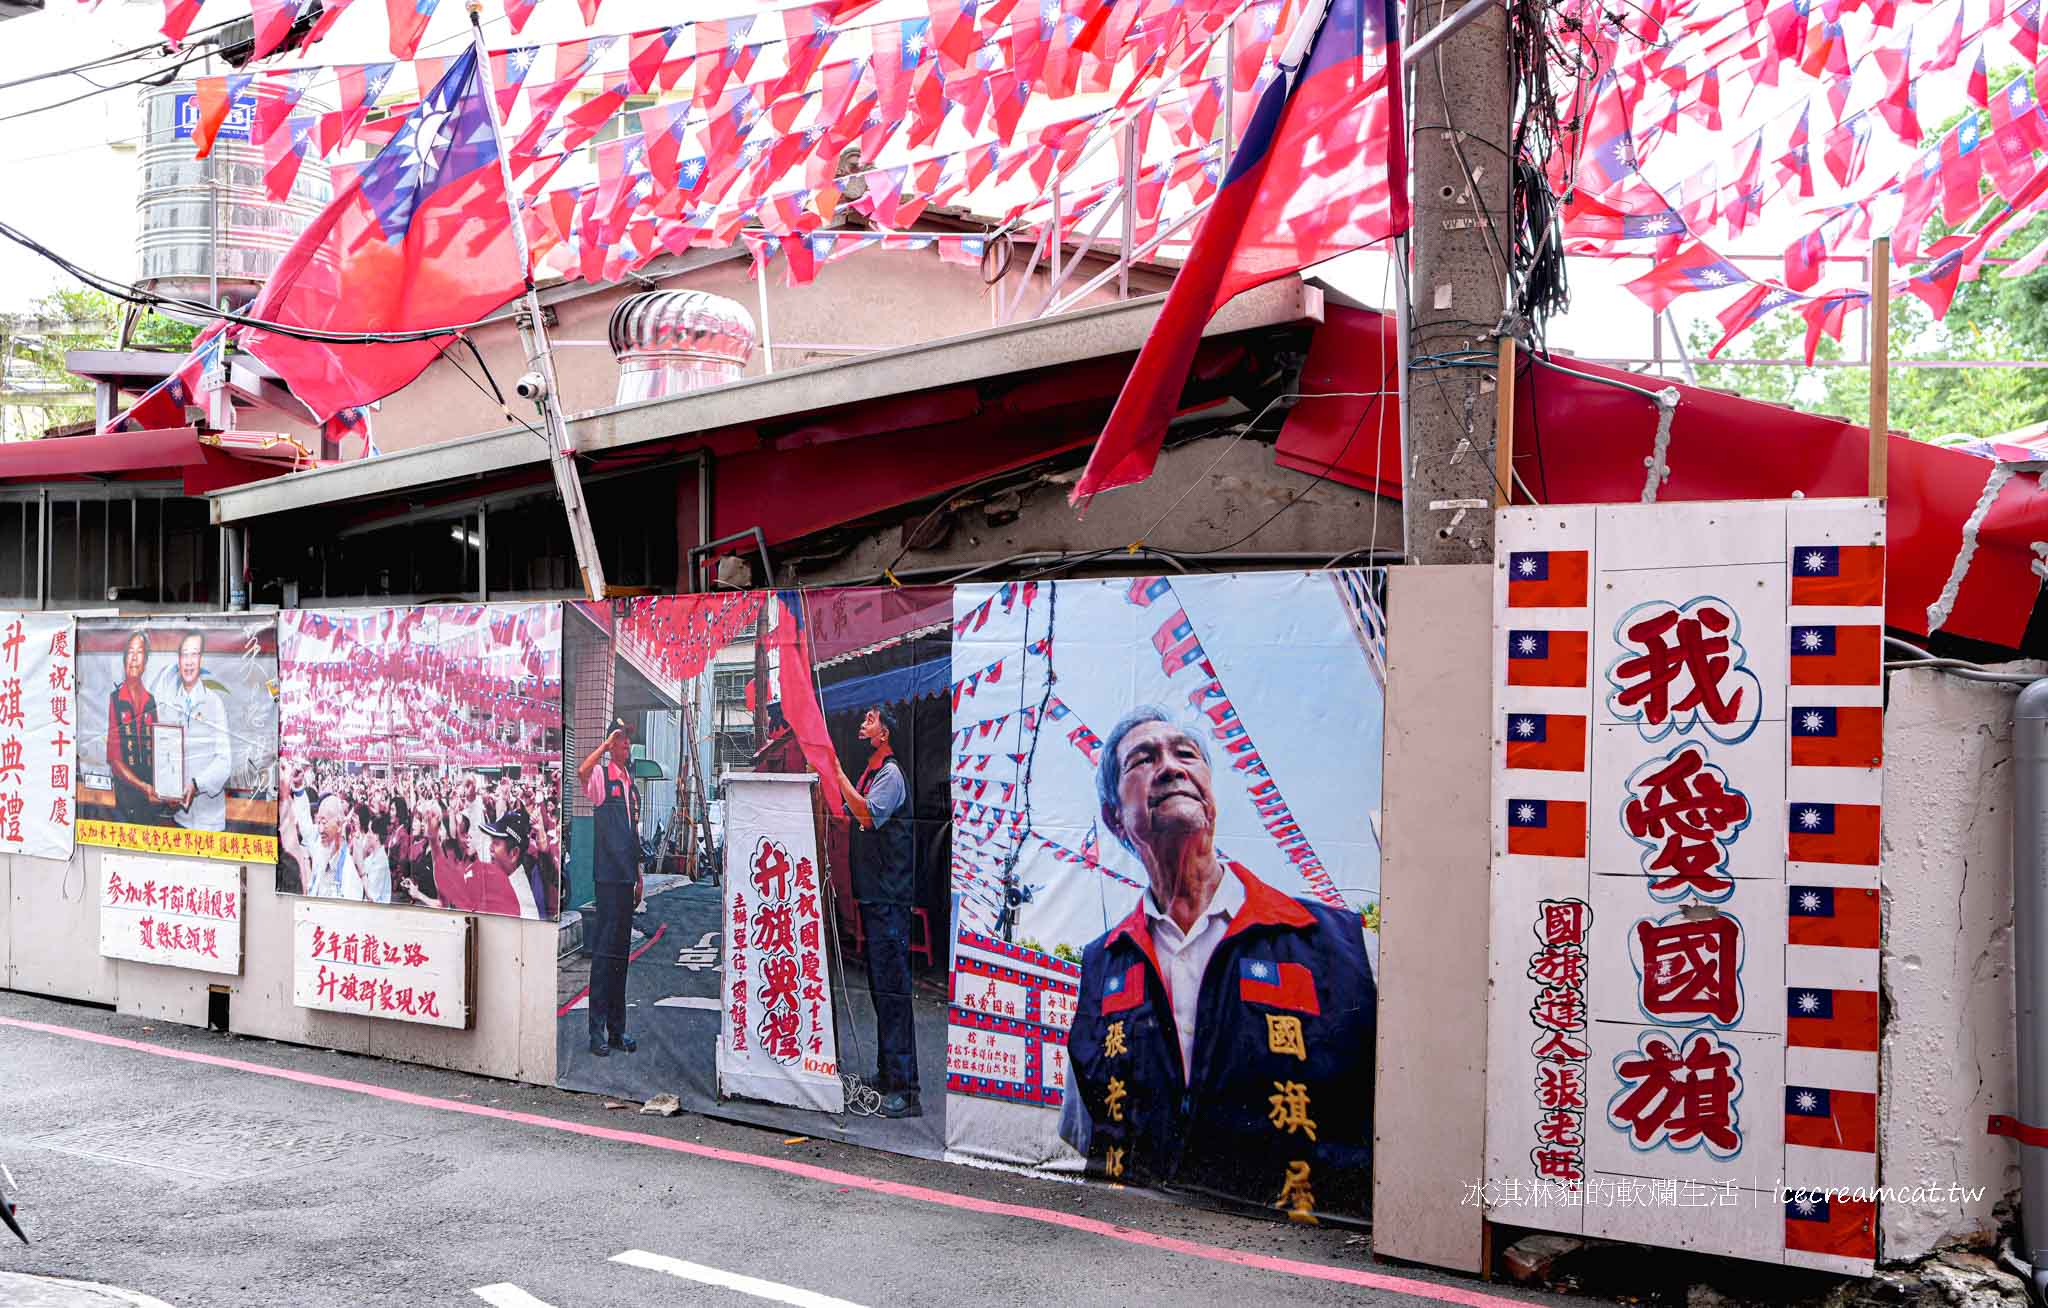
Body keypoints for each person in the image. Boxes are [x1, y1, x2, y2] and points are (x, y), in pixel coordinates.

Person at [1057, 706, 1376, 1220]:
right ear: (1115, 815)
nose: (1170, 766)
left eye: (1186, 754)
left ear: (1210, 790)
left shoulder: (1341, 946)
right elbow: (1087, 1129)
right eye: (1143, 759)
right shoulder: (1100, 968)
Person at [832, 704, 921, 1119]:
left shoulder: (890, 776)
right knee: (881, 990)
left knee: (895, 993)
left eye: (869, 719)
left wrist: (837, 774)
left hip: (889, 899)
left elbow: (866, 813)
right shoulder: (873, 771)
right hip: (875, 897)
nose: (861, 724)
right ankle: (889, 1075)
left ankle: (907, 1088)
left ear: (884, 733)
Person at [578, 718, 642, 1058]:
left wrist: (640, 876)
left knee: (621, 958)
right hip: (607, 880)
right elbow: (581, 772)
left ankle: (618, 1031)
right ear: (610, 746)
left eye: (626, 741)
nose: (625, 746)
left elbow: (634, 837)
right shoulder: (603, 777)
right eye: (619, 741)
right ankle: (596, 1033)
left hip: (627, 879)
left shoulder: (630, 785)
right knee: (603, 958)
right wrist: (602, 747)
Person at [163, 629, 233, 833]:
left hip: (209, 823)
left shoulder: (214, 703)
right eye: (185, 655)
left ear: (201, 660)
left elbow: (224, 762)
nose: (189, 661)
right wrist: (167, 789)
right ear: (178, 660)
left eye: (194, 654)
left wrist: (196, 784)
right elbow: (167, 755)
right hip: (179, 818)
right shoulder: (170, 704)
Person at [106, 629, 159, 824]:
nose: (134, 658)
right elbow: (114, 760)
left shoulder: (151, 702)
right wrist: (142, 786)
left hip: (150, 802)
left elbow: (158, 750)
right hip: (125, 801)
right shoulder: (115, 700)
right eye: (130, 652)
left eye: (139, 652)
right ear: (124, 659)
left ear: (145, 663)